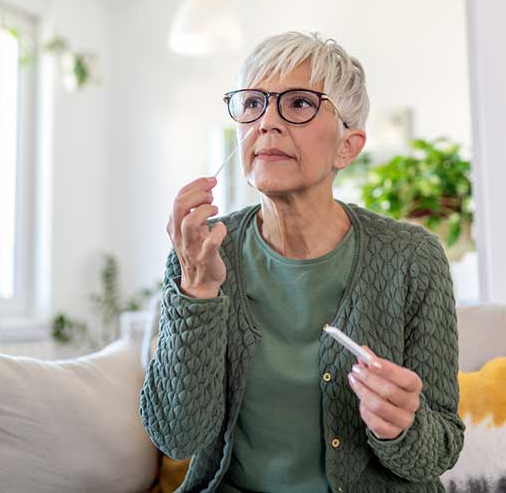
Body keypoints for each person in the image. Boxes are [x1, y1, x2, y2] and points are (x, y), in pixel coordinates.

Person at [139, 31, 464, 493]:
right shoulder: (201, 253)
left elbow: (443, 446)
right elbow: (177, 437)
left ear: (347, 146)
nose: (266, 121)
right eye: (253, 103)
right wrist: (197, 292)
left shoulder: (412, 258)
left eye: (298, 104)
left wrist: (400, 428)